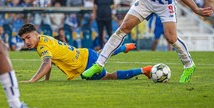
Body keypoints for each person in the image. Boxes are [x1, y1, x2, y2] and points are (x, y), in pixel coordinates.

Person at [82, 0, 213, 83]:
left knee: (171, 38)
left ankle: (189, 65)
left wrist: (195, 9)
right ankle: (99, 64)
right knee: (124, 28)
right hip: (145, 0)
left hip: (164, 3)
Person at [18, 23, 150, 82]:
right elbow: (50, 61)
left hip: (85, 65)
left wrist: (32, 80)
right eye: (24, 40)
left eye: (28, 37)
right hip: (85, 53)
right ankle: (124, 48)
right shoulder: (44, 38)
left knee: (109, 77)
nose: (26, 42)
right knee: (100, 55)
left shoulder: (42, 47)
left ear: (35, 34)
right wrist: (46, 79)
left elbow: (46, 64)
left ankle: (144, 70)